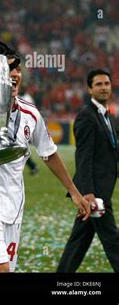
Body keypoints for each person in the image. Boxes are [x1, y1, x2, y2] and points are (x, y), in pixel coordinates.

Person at [0, 39, 90, 272]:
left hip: (14, 206)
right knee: (1, 271)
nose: (14, 74)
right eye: (6, 69)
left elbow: (49, 154)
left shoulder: (30, 114)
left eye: (17, 69)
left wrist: (74, 192)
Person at [57, 69, 119, 273]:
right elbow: (83, 156)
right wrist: (88, 193)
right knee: (113, 241)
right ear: (89, 89)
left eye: (107, 84)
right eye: (99, 84)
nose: (104, 88)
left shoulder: (107, 115)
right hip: (95, 193)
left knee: (79, 242)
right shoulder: (86, 116)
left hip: (102, 188)